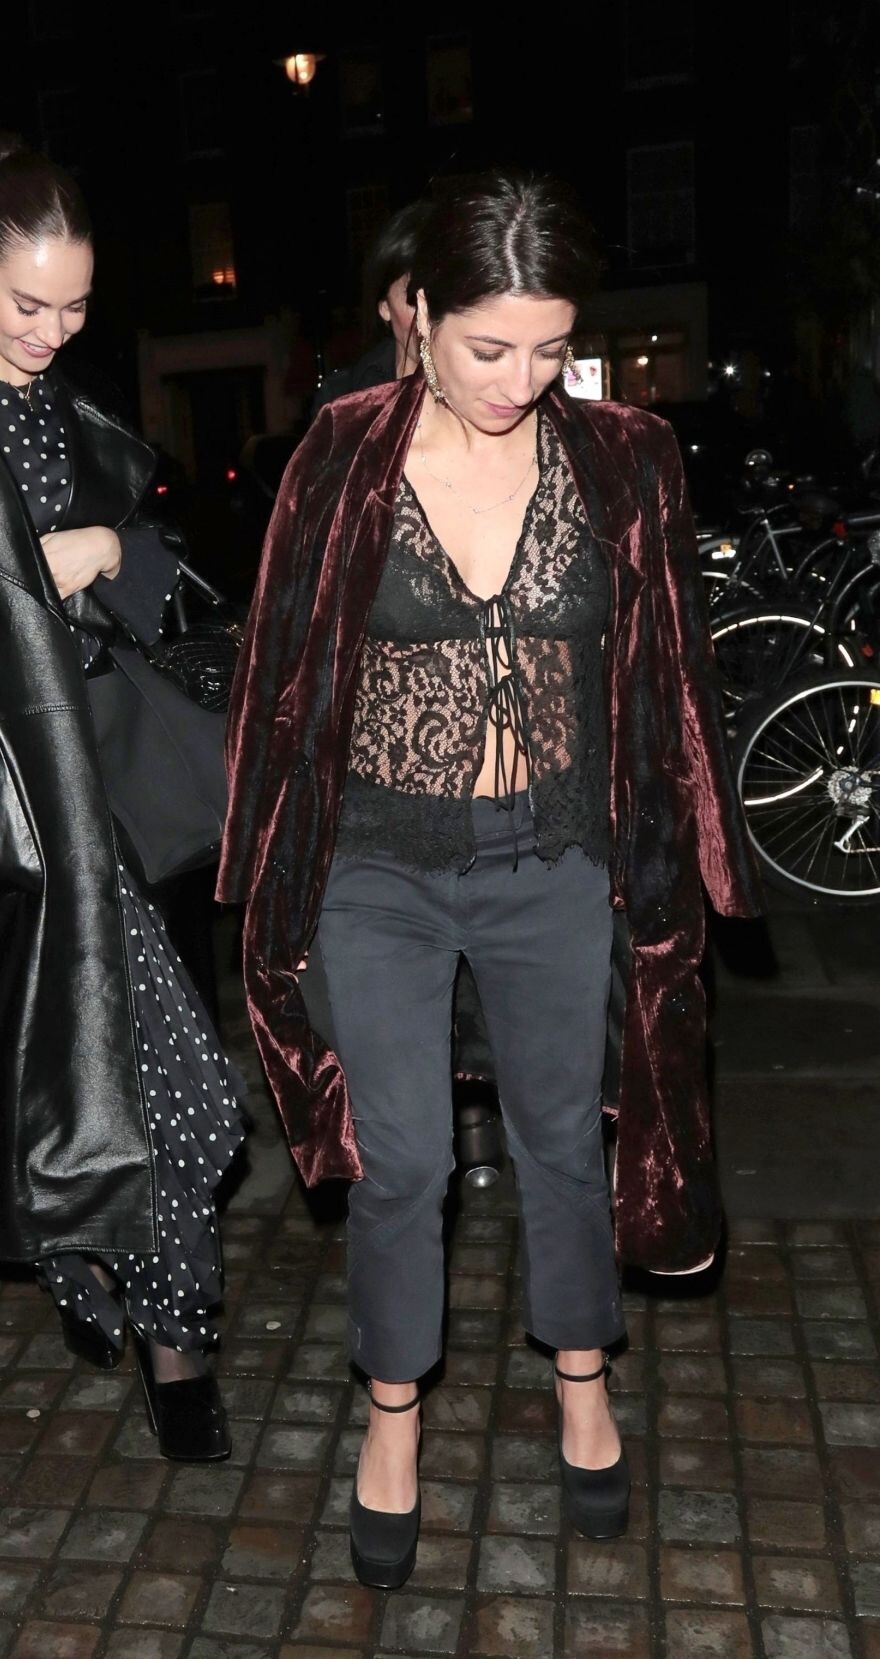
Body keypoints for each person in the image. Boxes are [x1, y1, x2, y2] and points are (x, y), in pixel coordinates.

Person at [217, 170, 763, 1585]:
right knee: (402, 1161)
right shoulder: (342, 455)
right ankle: (392, 1413)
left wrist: (682, 855)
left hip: (553, 854)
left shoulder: (626, 456)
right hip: (379, 865)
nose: (522, 381)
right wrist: (264, 869)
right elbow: (284, 671)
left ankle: (582, 1378)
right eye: (488, 347)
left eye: (551, 348)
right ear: (417, 316)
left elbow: (669, 671)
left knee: (564, 1139)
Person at [0, 131, 246, 1460]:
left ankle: (165, 1329)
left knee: (159, 1085)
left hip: (123, 792)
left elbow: (158, 580)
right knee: (111, 1087)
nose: (53, 331)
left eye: (75, 307)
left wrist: (110, 550)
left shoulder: (74, 407)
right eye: (29, 302)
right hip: (20, 818)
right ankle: (133, 1308)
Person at [312, 200, 428, 413]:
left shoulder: (480, 392)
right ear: (385, 307)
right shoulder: (342, 403)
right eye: (413, 297)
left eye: (440, 294)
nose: (427, 314)